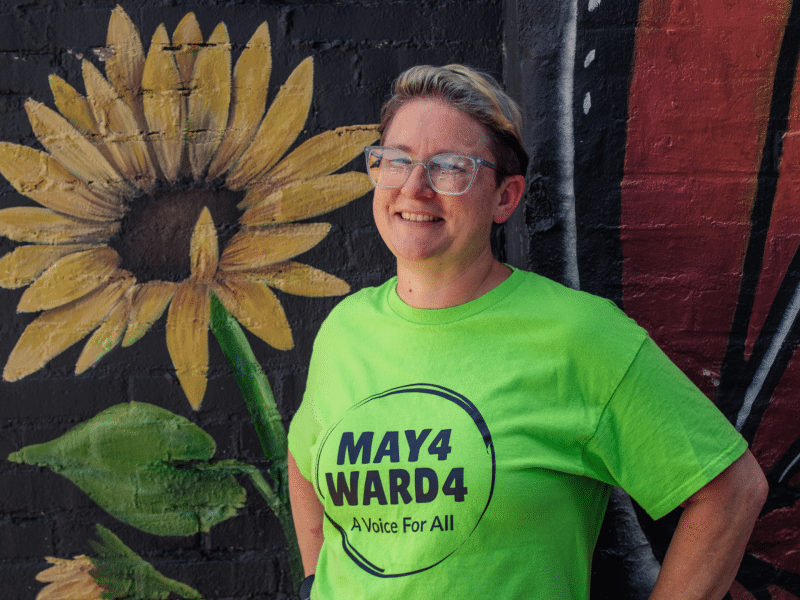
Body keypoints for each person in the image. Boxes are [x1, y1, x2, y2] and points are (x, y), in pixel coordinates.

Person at [287, 64, 768, 600]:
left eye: (450, 168)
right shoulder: (346, 329)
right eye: (396, 161)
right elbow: (304, 458)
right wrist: (315, 584)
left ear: (505, 197)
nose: (414, 188)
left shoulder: (579, 335)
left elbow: (731, 490)